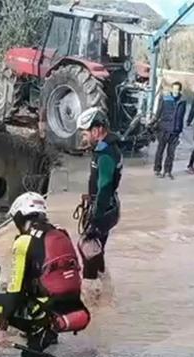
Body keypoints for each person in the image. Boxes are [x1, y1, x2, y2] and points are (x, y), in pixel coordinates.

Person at [0, 192, 90, 357]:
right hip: (72, 305)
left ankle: (36, 329)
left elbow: (15, 291)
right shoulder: (60, 232)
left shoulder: (24, 240)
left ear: (21, 216)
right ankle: (47, 329)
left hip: (46, 308)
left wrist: (2, 329)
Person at [76, 107, 122, 301]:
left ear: (97, 130)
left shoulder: (105, 154)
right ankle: (105, 287)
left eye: (86, 133)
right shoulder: (106, 148)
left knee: (87, 248)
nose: (84, 137)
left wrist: (95, 216)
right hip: (109, 207)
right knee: (97, 247)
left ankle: (91, 295)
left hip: (104, 210)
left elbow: (104, 186)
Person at [152, 81, 187, 179]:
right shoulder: (165, 98)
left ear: (180, 90)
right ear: (172, 89)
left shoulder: (182, 102)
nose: (176, 91)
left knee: (171, 153)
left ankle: (167, 171)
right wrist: (154, 123)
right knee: (160, 150)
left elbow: (182, 116)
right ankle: (157, 169)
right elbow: (158, 112)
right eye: (174, 89)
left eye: (178, 89)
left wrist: (180, 129)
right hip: (164, 129)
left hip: (175, 131)